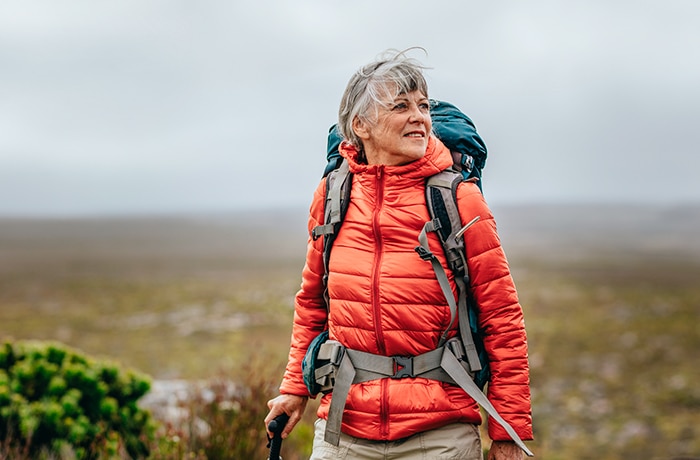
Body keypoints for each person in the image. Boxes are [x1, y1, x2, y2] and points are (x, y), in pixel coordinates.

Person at [265, 49, 533, 460]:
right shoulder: (333, 196)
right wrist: (294, 389)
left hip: (440, 433)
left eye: (423, 106)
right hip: (343, 428)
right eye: (401, 106)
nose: (420, 117)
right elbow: (312, 303)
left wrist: (507, 431)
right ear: (361, 126)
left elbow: (502, 318)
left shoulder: (459, 200)